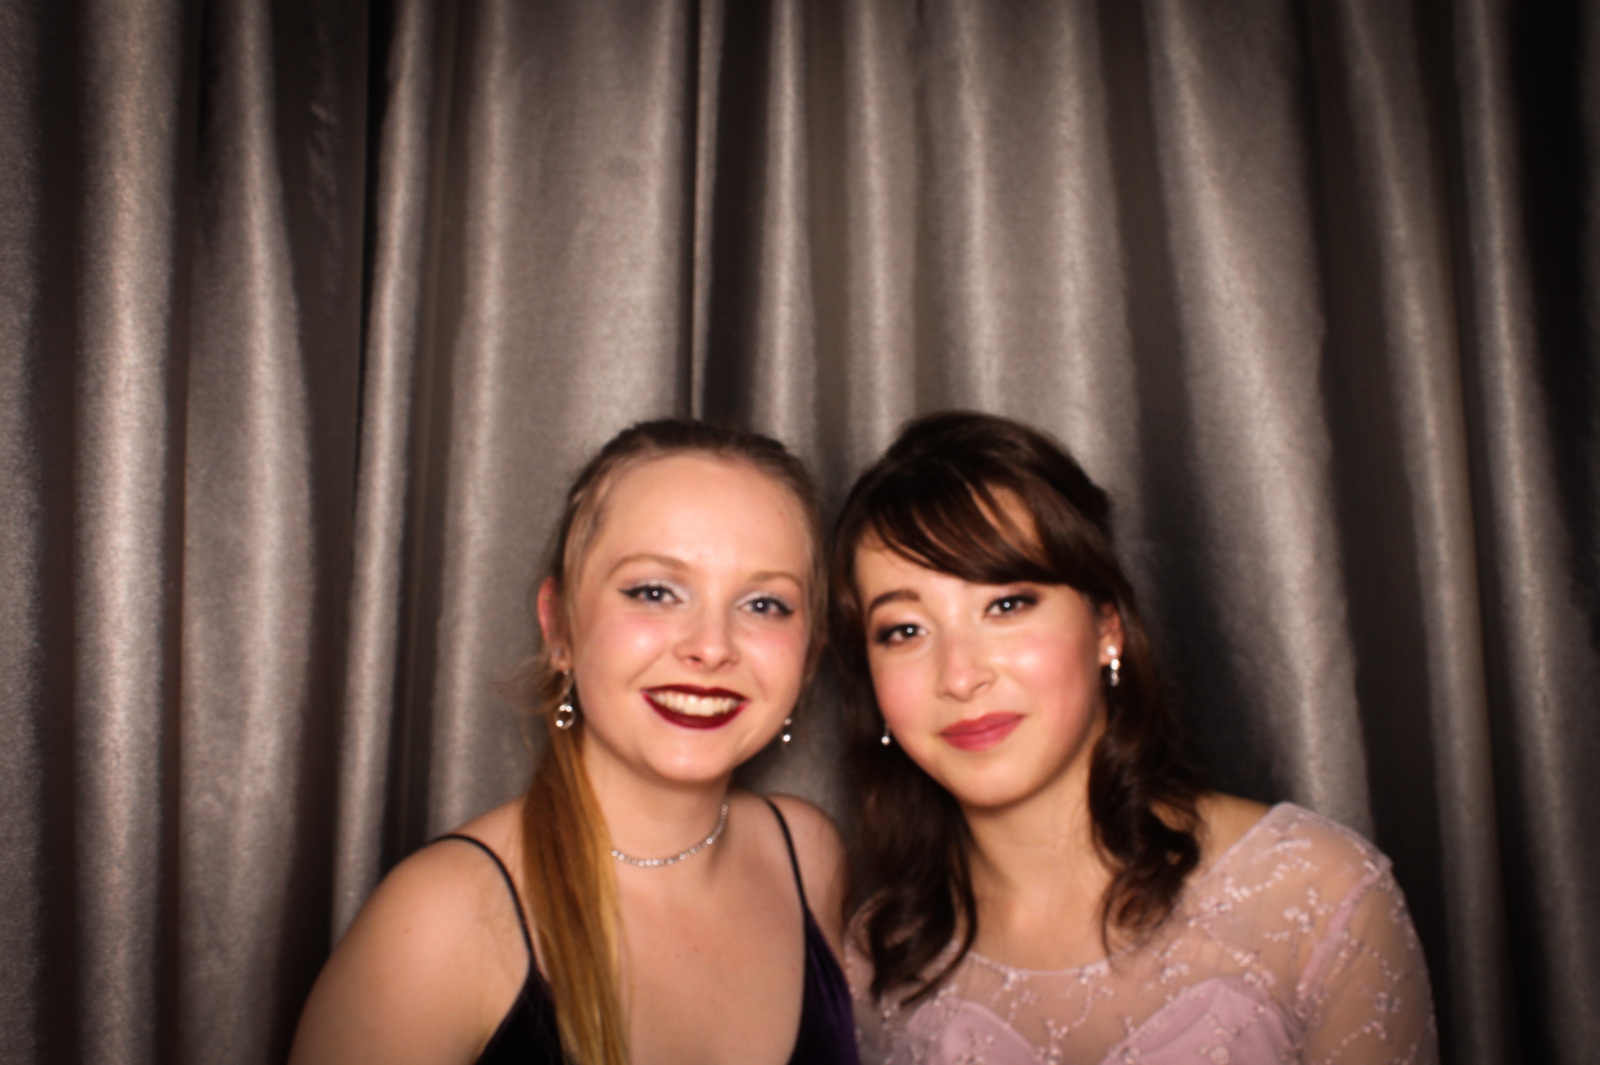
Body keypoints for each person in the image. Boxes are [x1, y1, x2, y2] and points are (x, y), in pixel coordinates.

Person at [830, 411, 1437, 1065]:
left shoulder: (1317, 893)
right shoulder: (872, 961)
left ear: (1107, 629)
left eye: (1006, 605)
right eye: (904, 631)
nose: (959, 676)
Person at [290, 420, 860, 1065]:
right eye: (654, 592)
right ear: (559, 626)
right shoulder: (436, 922)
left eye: (764, 605)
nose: (710, 647)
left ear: (808, 656)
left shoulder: (810, 855)